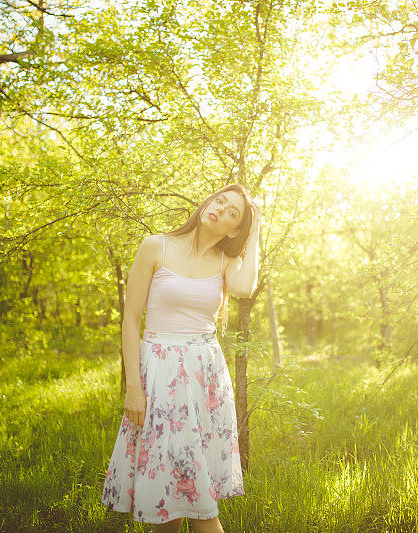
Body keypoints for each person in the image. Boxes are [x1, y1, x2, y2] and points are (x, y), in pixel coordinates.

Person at [101, 183, 260, 533]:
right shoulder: (155, 246)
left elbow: (245, 287)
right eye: (220, 199)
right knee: (167, 504)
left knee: (195, 503)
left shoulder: (226, 262)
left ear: (234, 230)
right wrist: (133, 387)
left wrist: (257, 227)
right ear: (208, 201)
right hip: (160, 374)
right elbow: (130, 319)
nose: (220, 208)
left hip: (207, 380)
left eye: (233, 212)